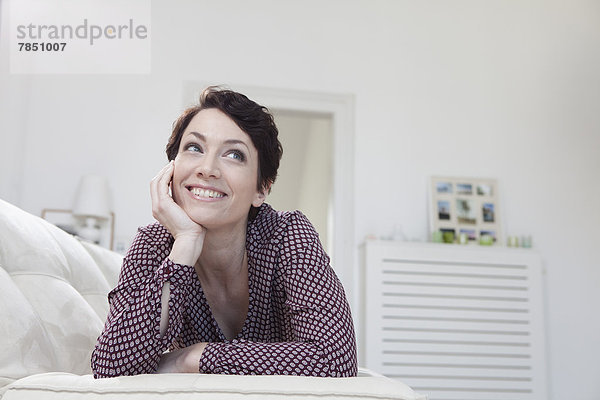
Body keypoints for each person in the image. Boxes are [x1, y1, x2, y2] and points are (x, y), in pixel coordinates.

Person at [91, 86, 357, 378]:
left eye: (233, 154)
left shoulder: (287, 234)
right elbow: (110, 366)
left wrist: (191, 358)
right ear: (171, 169)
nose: (207, 168)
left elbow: (334, 359)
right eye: (194, 148)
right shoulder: (154, 244)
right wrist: (185, 244)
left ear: (261, 188)